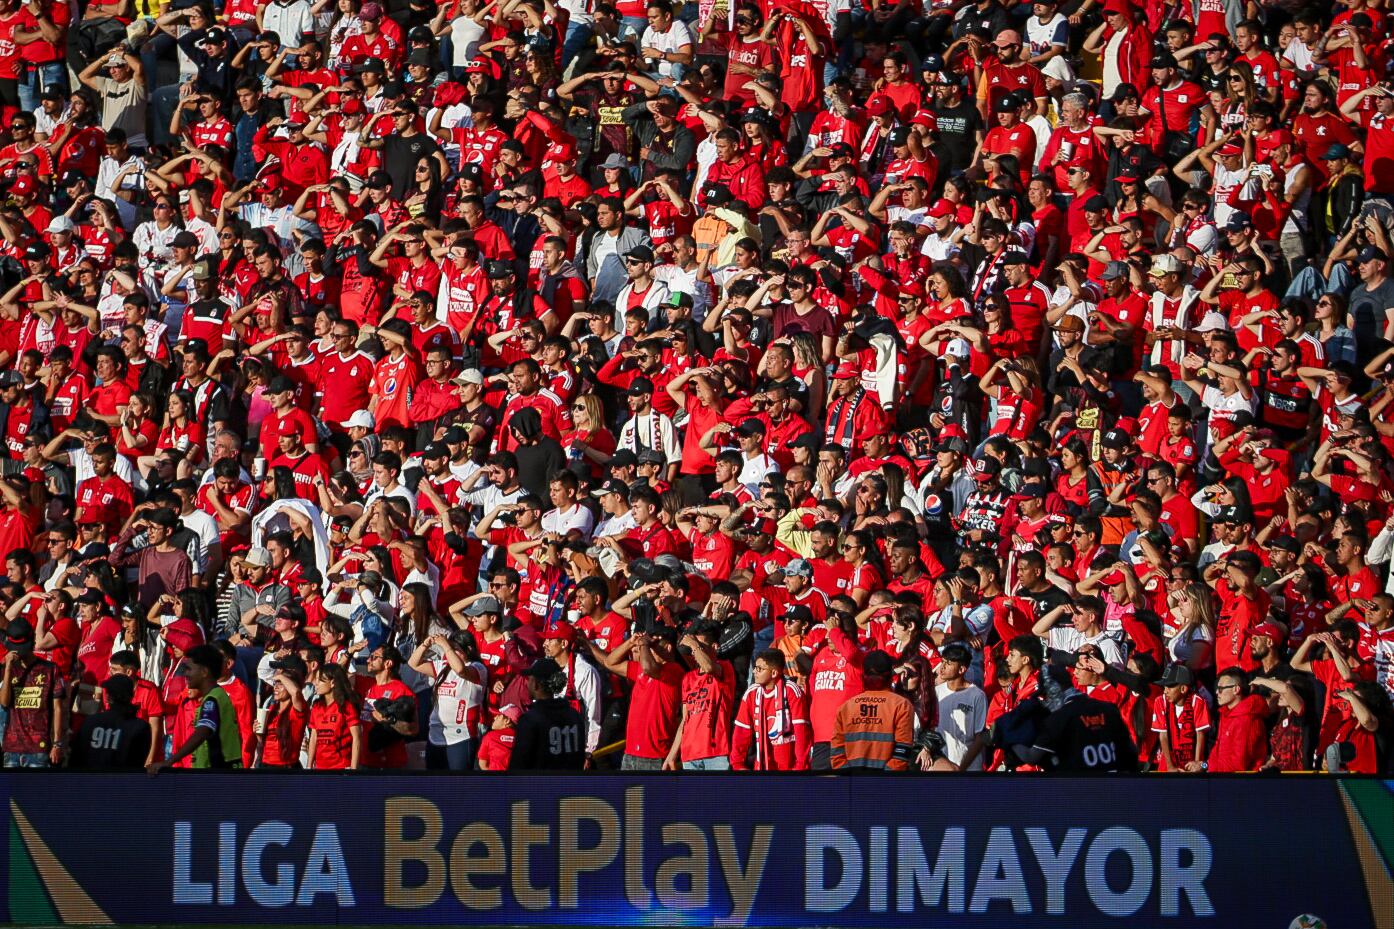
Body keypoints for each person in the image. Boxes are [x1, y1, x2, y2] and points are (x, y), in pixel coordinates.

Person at [146, 644, 245, 773]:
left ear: (204, 672)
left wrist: (169, 761)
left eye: (189, 668)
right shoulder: (215, 696)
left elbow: (202, 732)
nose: (185, 673)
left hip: (219, 774)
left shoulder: (212, 700)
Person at [829, 650, 916, 771]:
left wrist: (849, 777)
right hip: (885, 784)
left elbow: (836, 754)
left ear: (864, 676)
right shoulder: (902, 705)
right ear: (890, 676)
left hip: (852, 783)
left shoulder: (846, 707)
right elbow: (903, 751)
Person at [508, 657, 587, 770]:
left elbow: (518, 765)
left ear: (535, 684)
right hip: (571, 784)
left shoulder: (530, 720)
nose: (527, 683)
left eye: (529, 679)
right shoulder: (575, 716)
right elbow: (580, 758)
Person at [70, 675, 152, 770]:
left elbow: (75, 760)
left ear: (108, 697)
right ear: (132, 695)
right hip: (124, 782)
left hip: (89, 782)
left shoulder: (90, 722)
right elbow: (137, 764)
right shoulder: (141, 727)